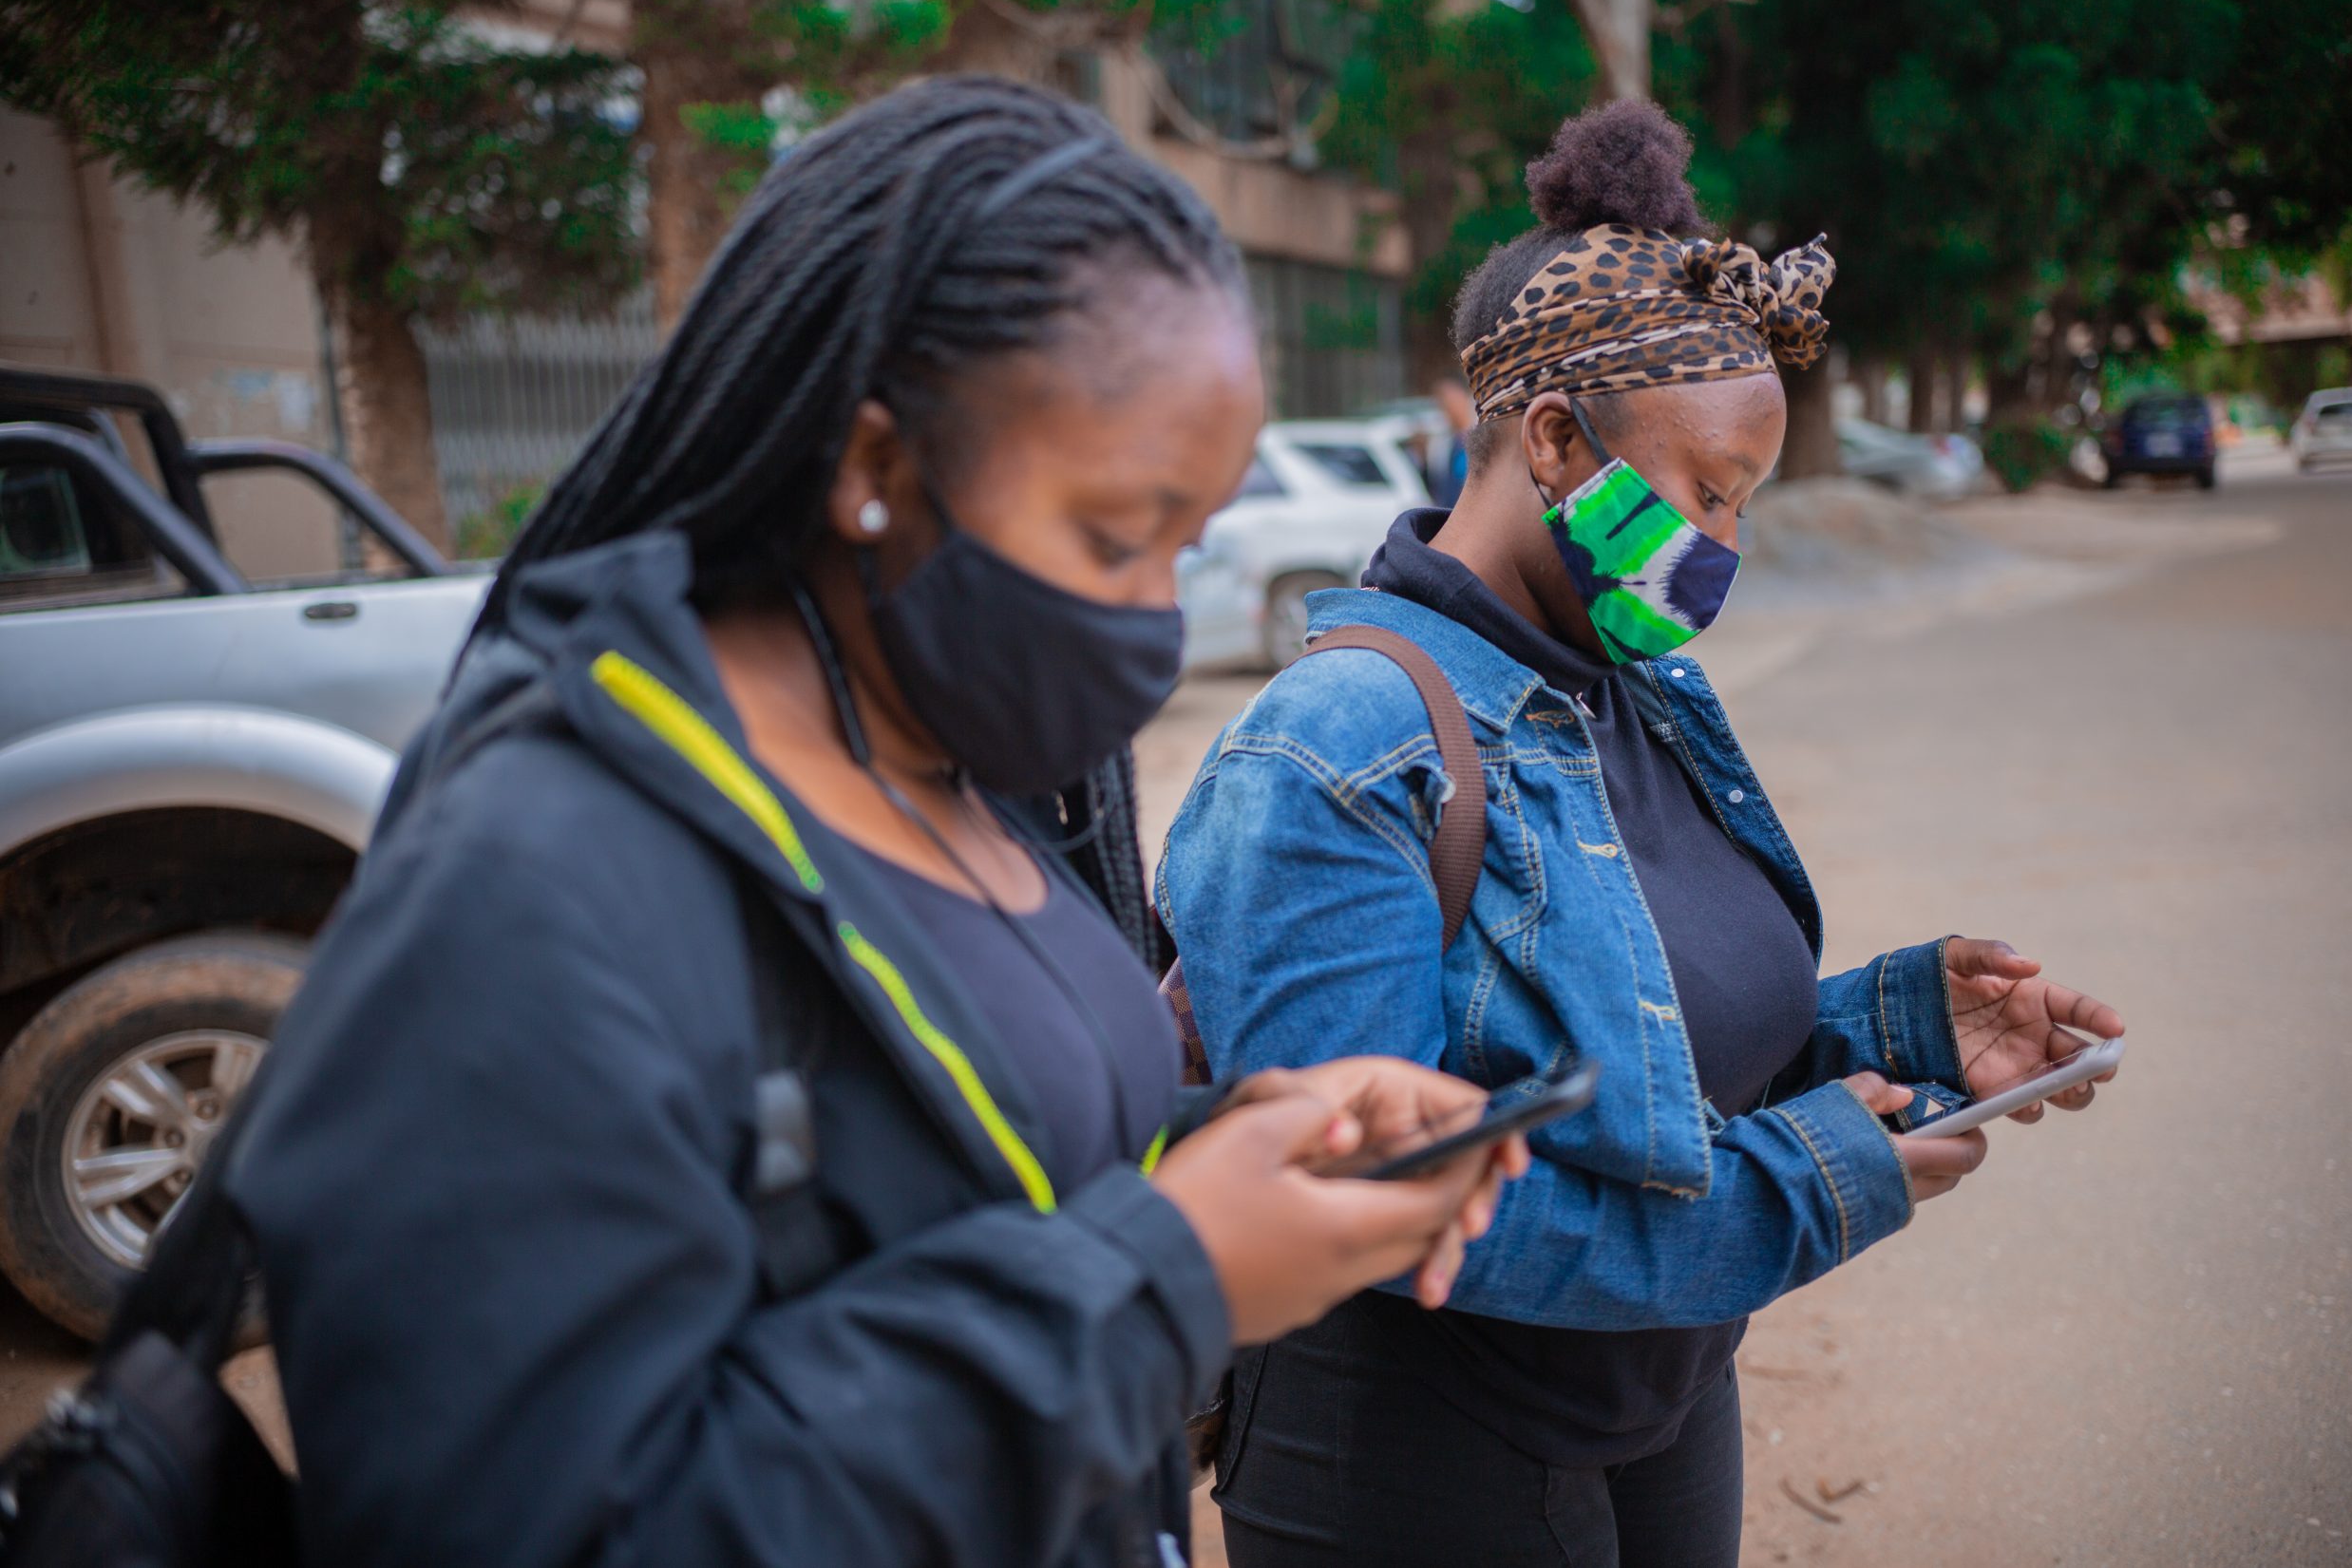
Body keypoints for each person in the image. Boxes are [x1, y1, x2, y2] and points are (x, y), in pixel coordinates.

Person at [223, 77, 1521, 1568]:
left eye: (1188, 542)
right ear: (872, 464)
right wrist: (1170, 1274)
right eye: (1113, 536)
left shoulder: (938, 753)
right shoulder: (530, 881)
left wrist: (1240, 1145)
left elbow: (943, 1160)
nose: (1161, 616)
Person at [1158, 99, 2126, 1568]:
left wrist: (1900, 1017)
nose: (1722, 548)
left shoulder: (1640, 683)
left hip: (1667, 1392)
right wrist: (1797, 1189)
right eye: (1707, 493)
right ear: (1553, 437)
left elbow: (1650, 1047)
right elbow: (1366, 1203)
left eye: (1745, 501)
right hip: (1418, 1459)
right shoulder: (1329, 752)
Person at [1429, 373, 1476, 504]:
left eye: (1450, 400)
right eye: (1442, 403)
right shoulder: (1442, 444)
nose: (1447, 408)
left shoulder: (1481, 436)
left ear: (1463, 397)